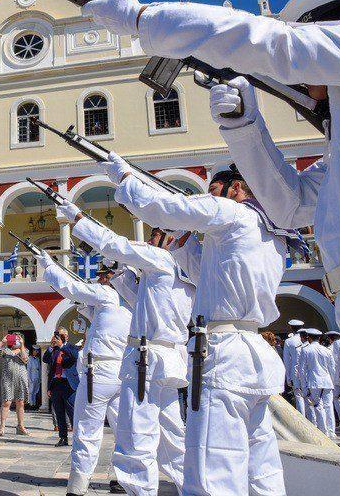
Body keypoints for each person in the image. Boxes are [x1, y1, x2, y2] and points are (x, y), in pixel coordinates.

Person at [85, 0, 340, 496]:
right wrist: (244, 125)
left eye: (308, 71)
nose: (302, 87)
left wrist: (142, 21)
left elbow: (273, 44)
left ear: (335, 34)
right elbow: (291, 205)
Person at [98, 153, 290, 494]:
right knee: (262, 468)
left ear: (237, 188)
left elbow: (162, 208)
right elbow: (210, 278)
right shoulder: (271, 233)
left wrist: (123, 177)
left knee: (212, 467)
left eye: (215, 189)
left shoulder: (232, 212)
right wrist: (185, 244)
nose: (211, 196)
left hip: (224, 353)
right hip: (253, 351)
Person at [62, 201, 193, 496]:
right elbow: (138, 297)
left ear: (170, 237)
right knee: (173, 437)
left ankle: (140, 491)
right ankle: (192, 488)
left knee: (137, 438)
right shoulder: (188, 271)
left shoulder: (160, 260)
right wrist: (119, 274)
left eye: (156, 233)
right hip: (171, 360)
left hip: (147, 360)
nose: (149, 239)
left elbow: (113, 244)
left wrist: (77, 216)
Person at [41, 251, 132, 496]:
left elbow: (70, 287)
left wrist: (48, 266)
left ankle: (77, 486)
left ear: (112, 277)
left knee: (87, 431)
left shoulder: (107, 293)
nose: (100, 280)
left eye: (104, 276)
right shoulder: (132, 302)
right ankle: (123, 479)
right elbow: (103, 319)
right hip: (122, 372)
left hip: (98, 373)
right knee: (124, 429)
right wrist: (84, 307)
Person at [43, 328, 78, 446]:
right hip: (56, 384)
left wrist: (62, 346)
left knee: (72, 412)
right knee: (59, 413)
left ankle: (77, 438)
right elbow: (45, 360)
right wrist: (52, 346)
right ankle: (63, 438)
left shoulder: (71, 347)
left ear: (67, 336)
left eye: (62, 335)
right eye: (58, 335)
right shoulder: (55, 349)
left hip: (68, 384)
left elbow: (74, 357)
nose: (60, 337)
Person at [0, 333, 30, 437]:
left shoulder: (25, 350)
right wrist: (2, 342)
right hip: (8, 380)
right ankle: (2, 426)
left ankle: (20, 426)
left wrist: (22, 345)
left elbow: (25, 359)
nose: (16, 341)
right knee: (6, 402)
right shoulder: (5, 351)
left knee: (20, 402)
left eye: (18, 339)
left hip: (20, 380)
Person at [303, 329, 337, 437]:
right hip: (327, 381)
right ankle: (331, 431)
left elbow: (303, 370)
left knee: (318, 406)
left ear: (309, 337)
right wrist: (332, 380)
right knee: (328, 406)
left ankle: (323, 431)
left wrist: (304, 385)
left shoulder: (306, 350)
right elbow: (332, 368)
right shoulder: (327, 351)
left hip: (314, 382)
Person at [282, 319, 306, 413]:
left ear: (291, 327)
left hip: (295, 373)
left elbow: (287, 361)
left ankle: (303, 419)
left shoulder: (289, 341)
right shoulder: (307, 339)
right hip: (308, 373)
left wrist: (288, 377)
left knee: (299, 397)